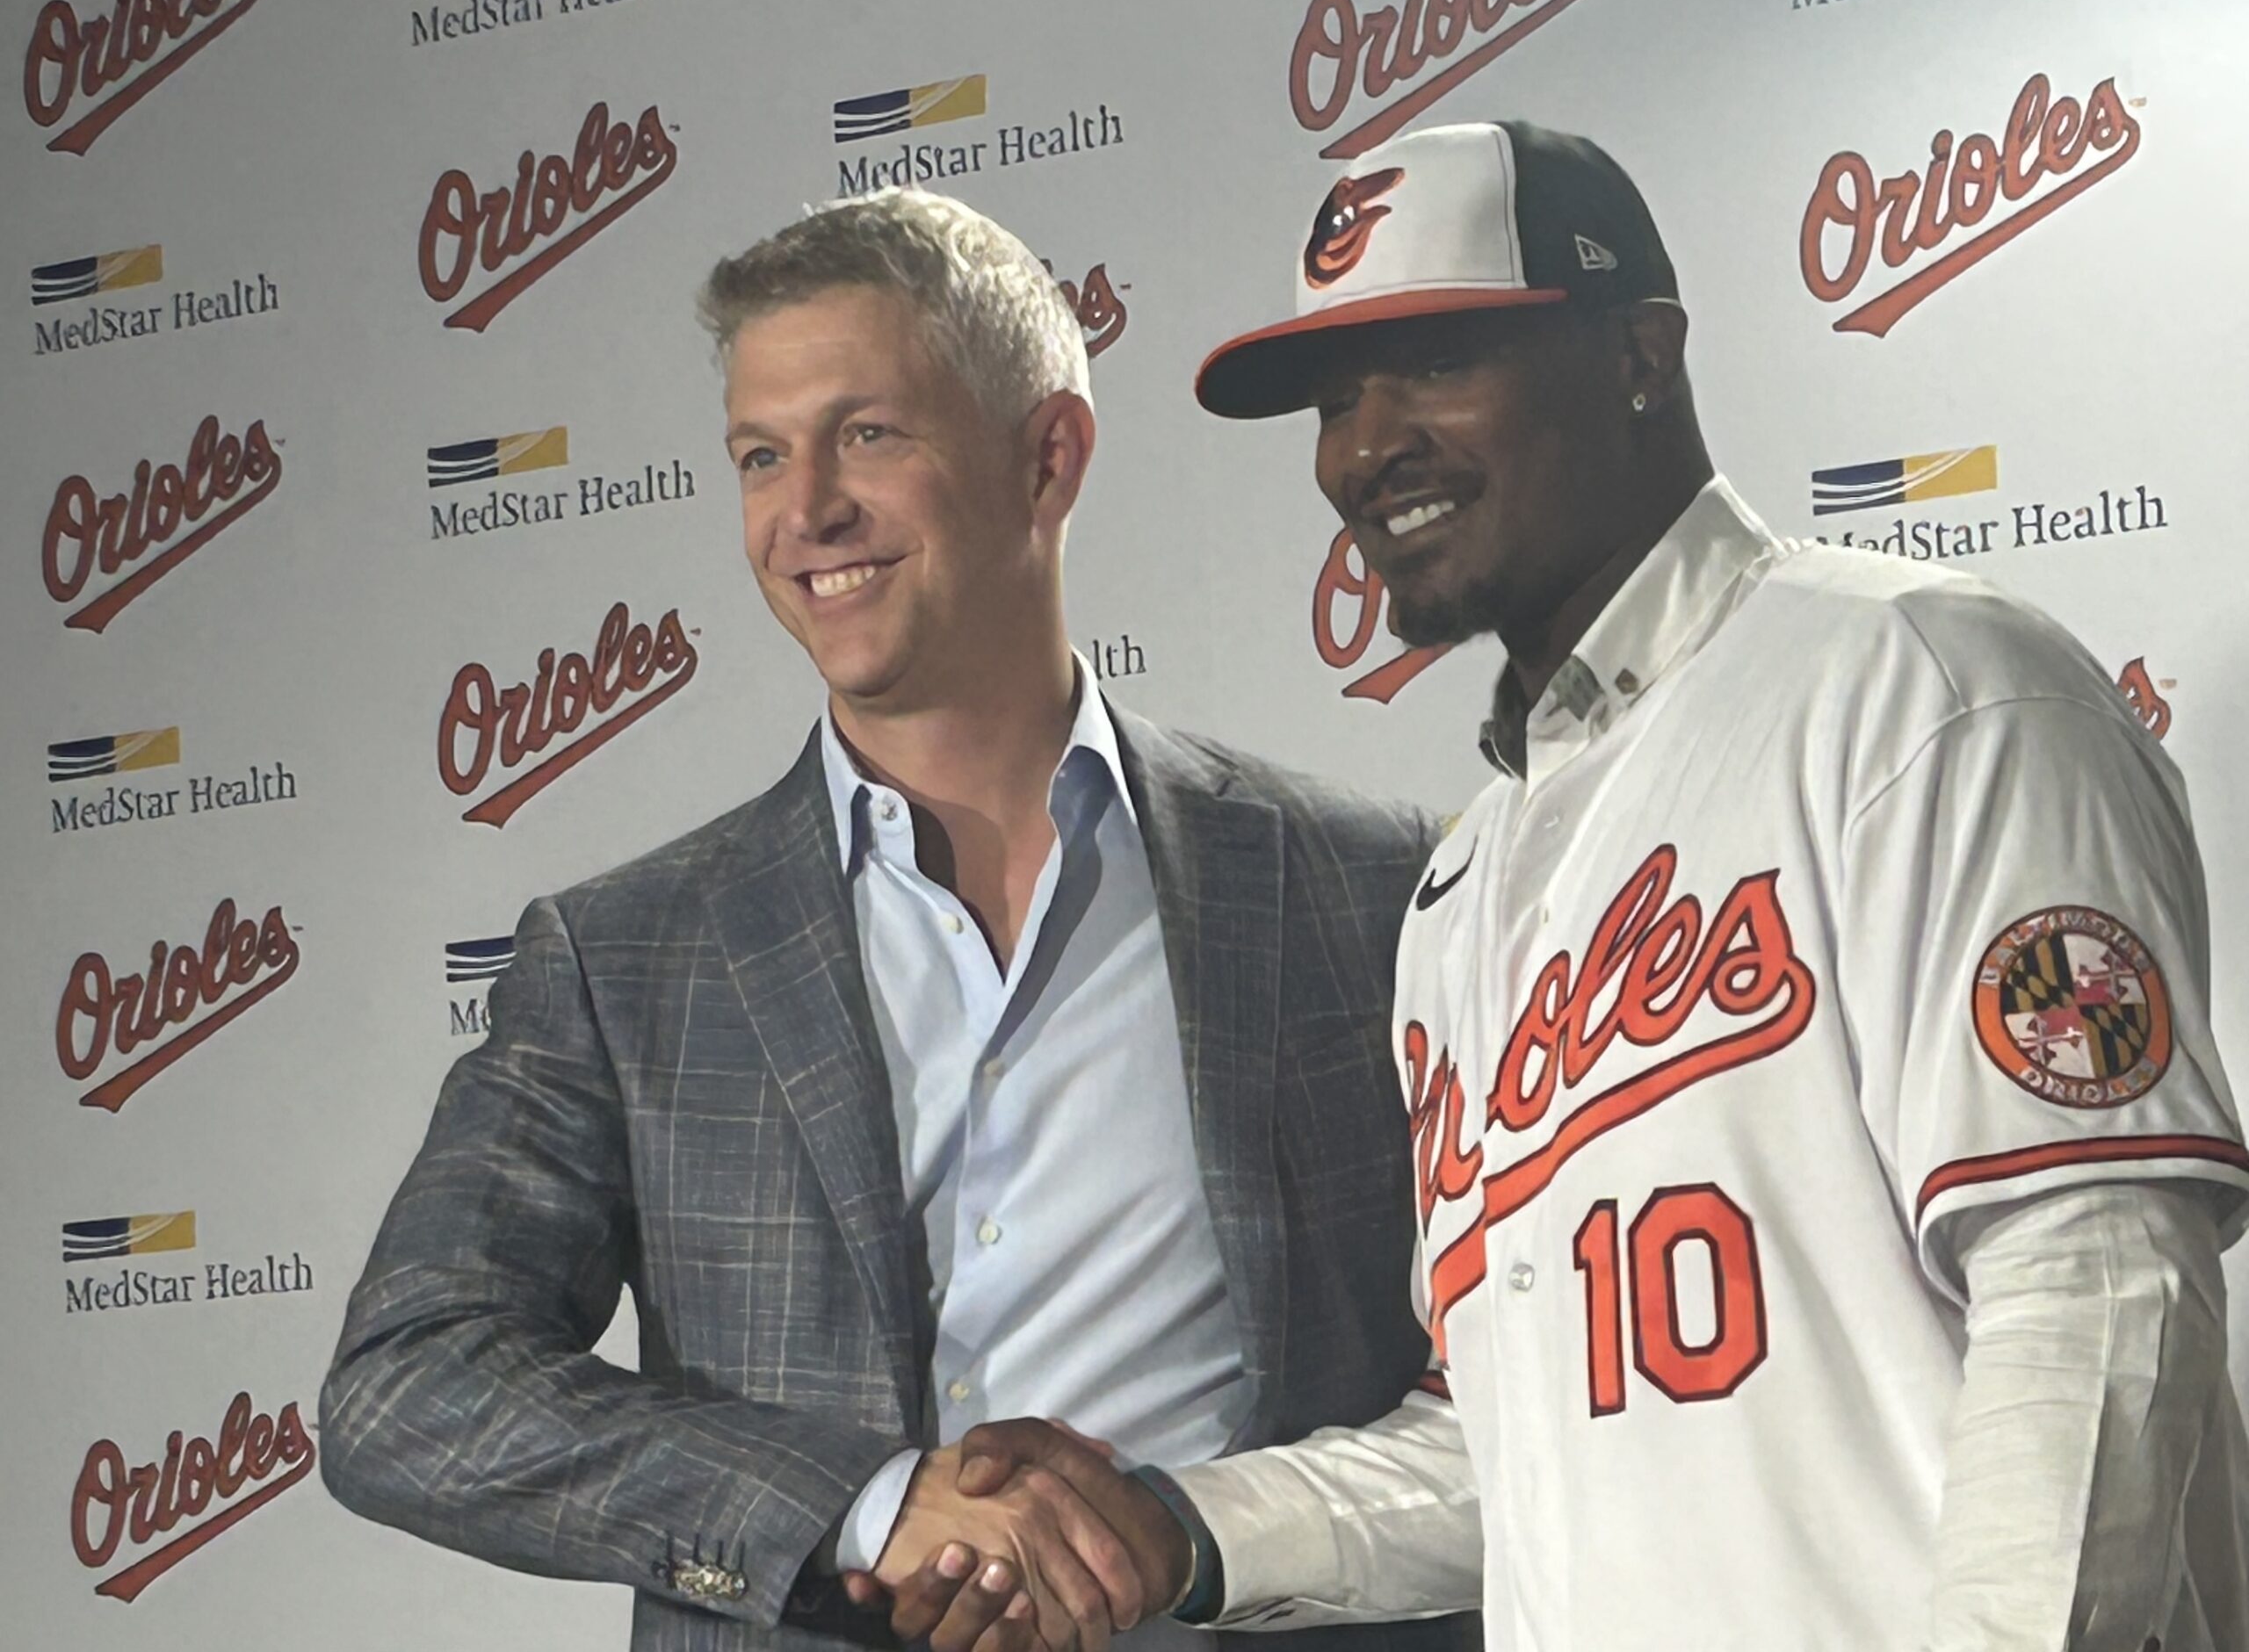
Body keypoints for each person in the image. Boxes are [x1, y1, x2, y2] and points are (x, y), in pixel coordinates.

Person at [886, 121, 2249, 1652]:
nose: (1363, 446)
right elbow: (1504, 1447)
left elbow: (2094, 1279)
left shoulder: (1920, 687)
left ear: (1640, 357)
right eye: (1335, 399)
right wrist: (1180, 1526)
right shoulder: (1468, 885)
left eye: (1435, 363)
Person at [318, 188, 1480, 1652]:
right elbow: (409, 1384)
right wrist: (866, 1506)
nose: (805, 511)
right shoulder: (626, 960)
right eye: (761, 455)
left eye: (868, 435)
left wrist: (1197, 1541)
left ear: (1048, 459)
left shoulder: (1369, 885)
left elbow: (1507, 1387)